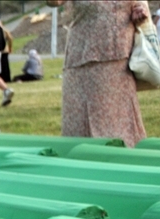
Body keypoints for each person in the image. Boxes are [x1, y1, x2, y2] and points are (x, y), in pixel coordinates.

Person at [50, 0, 148, 148]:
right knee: (80, 127)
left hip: (118, 57)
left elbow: (140, 5)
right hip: (82, 59)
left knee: (120, 125)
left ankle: (123, 164)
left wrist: (140, 12)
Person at [0, 20, 15, 106]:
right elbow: (10, 38)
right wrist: (10, 48)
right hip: (4, 50)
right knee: (5, 67)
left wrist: (10, 47)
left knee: (1, 68)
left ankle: (4, 81)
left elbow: (10, 38)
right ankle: (6, 79)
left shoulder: (0, 30)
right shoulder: (4, 30)